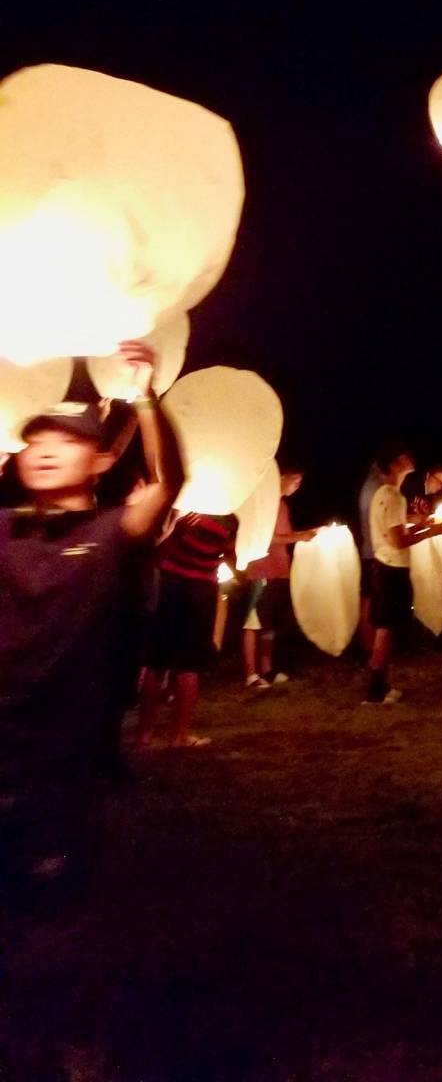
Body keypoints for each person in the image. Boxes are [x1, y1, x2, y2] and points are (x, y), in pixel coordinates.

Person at [0, 343, 179, 896]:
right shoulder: (5, 526)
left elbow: (167, 480)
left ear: (101, 460)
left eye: (67, 439)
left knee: (48, 875)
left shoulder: (110, 533)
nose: (45, 451)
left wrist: (146, 397)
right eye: (35, 440)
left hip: (69, 719)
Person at [137, 499, 237, 750]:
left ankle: (144, 736)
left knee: (156, 662)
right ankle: (178, 735)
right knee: (188, 665)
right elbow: (231, 558)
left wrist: (177, 532)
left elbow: (158, 555)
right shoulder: (230, 518)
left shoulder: (183, 509)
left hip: (172, 588)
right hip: (198, 592)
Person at [365, 446, 442, 706]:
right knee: (386, 630)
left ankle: (381, 685)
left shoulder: (387, 495)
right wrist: (433, 532)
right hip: (391, 568)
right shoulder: (391, 496)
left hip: (384, 565)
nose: (409, 458)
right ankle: (376, 689)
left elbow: (395, 528)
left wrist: (421, 524)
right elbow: (398, 540)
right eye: (402, 457)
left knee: (385, 628)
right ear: (392, 466)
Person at [238, 470, 315, 692]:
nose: (297, 486)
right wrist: (301, 537)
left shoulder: (283, 506)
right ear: (281, 477)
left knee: (270, 622)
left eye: (300, 482)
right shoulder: (264, 504)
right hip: (261, 569)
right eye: (295, 480)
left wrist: (308, 534)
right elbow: (266, 538)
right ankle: (251, 674)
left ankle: (267, 668)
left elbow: (285, 537)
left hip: (280, 570)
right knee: (253, 621)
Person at [356, 457, 384, 653]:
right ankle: (371, 648)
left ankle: (373, 647)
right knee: (370, 601)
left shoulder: (371, 484)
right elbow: (381, 518)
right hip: (374, 552)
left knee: (370, 600)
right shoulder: (376, 487)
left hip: (371, 550)